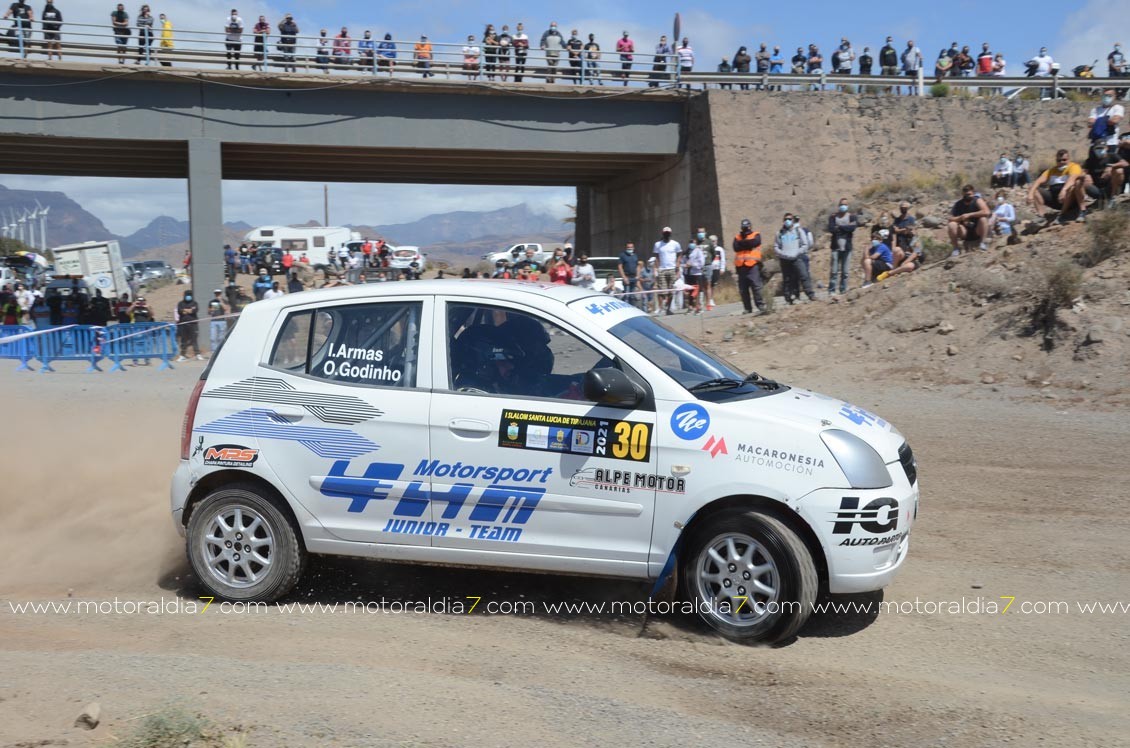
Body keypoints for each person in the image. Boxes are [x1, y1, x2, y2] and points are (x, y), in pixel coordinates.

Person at [1029, 149, 1084, 222]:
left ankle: (1063, 214)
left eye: (1064, 160)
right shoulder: (1051, 171)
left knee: (1073, 186)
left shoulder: (1073, 167)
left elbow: (1073, 178)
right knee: (1033, 189)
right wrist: (1030, 194)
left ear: (1068, 159)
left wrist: (1064, 190)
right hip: (1055, 199)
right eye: (1059, 160)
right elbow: (1038, 181)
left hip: (1070, 199)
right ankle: (1042, 216)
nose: (1061, 162)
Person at [774, 213, 815, 303]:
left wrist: (798, 252)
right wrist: (781, 253)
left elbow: (805, 244)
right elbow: (776, 246)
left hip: (797, 258)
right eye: (785, 219)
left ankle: (810, 294)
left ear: (792, 220)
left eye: (789, 219)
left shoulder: (798, 231)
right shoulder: (780, 233)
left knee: (804, 275)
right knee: (787, 279)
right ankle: (789, 297)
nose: (787, 221)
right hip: (785, 259)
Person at [731, 219, 765, 314]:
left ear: (750, 226)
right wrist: (747, 243)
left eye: (746, 226)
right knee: (743, 289)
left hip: (753, 265)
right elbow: (736, 247)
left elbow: (754, 243)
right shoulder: (737, 237)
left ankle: (760, 305)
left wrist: (744, 243)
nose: (745, 229)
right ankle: (747, 308)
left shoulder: (756, 235)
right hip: (741, 266)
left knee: (756, 286)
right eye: (743, 227)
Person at [827, 198, 859, 295]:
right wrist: (845, 228)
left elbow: (852, 228)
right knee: (834, 271)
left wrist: (840, 227)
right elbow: (831, 228)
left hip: (847, 247)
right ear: (838, 205)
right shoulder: (833, 217)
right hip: (835, 247)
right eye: (841, 204)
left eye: (845, 204)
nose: (843, 206)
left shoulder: (852, 217)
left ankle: (843, 290)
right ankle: (832, 290)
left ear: (848, 206)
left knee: (845, 272)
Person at [947, 184, 991, 253]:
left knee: (983, 219)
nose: (967, 196)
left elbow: (987, 212)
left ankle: (982, 243)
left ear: (973, 193)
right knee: (951, 224)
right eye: (965, 194)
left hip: (977, 230)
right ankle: (956, 249)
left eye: (969, 194)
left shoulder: (977, 200)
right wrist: (960, 218)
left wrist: (970, 215)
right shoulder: (958, 204)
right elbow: (950, 218)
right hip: (964, 231)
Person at [1081, 141, 1119, 215]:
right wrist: (1086, 175)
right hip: (1096, 189)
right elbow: (1082, 172)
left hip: (1110, 187)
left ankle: (1112, 198)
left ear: (1106, 148)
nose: (1099, 150)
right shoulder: (1090, 160)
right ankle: (1083, 208)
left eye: (1101, 148)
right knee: (1081, 180)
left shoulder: (1112, 156)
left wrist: (1112, 167)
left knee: (1119, 171)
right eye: (1097, 148)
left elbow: (1125, 163)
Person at [653, 226, 681, 315]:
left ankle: (668, 308)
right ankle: (661, 308)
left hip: (672, 269)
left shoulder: (675, 244)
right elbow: (656, 257)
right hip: (662, 269)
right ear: (663, 234)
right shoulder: (658, 244)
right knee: (662, 290)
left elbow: (680, 254)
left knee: (671, 290)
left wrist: (678, 264)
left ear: (670, 234)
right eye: (665, 233)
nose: (667, 235)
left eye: (668, 233)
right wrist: (657, 268)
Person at [175, 290, 202, 362]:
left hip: (193, 325)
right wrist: (189, 310)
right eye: (187, 295)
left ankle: (197, 354)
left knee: (194, 340)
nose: (188, 296)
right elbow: (180, 311)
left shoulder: (195, 303)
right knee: (184, 340)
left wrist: (186, 310)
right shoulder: (180, 303)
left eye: (189, 295)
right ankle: (182, 355)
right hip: (183, 325)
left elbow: (194, 311)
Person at [617, 241, 640, 307]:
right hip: (627, 277)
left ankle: (632, 308)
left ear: (633, 248)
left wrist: (638, 275)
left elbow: (638, 266)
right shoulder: (622, 255)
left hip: (634, 278)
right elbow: (620, 266)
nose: (630, 249)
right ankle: (625, 309)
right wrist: (624, 277)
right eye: (628, 248)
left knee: (632, 296)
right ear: (626, 248)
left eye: (631, 247)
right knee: (627, 296)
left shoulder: (635, 255)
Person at [706, 233, 724, 310]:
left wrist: (722, 268)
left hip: (716, 268)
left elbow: (722, 259)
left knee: (713, 284)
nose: (713, 242)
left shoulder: (719, 249)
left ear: (716, 241)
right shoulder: (708, 249)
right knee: (708, 284)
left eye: (714, 241)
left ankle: (711, 298)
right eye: (711, 241)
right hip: (709, 268)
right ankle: (709, 300)